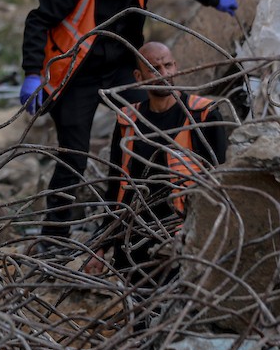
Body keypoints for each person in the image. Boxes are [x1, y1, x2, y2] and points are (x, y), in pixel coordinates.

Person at [18, 0, 236, 243]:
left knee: (147, 128)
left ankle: (137, 222)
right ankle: (54, 239)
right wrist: (32, 74)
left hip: (121, 70)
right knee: (74, 158)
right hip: (75, 76)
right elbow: (37, 22)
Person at [86, 42, 228, 283]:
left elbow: (220, 184)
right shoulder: (128, 121)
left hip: (183, 236)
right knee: (137, 314)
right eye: (154, 68)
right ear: (139, 77)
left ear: (176, 67)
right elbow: (116, 188)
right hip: (134, 237)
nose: (164, 74)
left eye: (168, 65)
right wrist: (101, 243)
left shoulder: (203, 114)